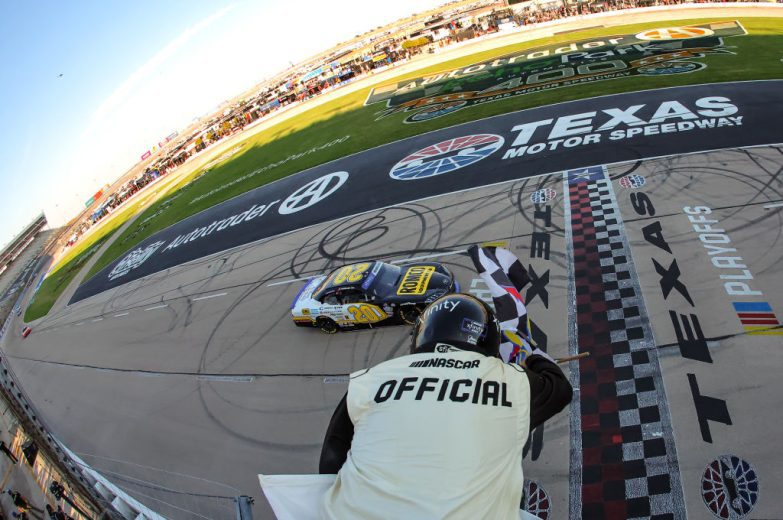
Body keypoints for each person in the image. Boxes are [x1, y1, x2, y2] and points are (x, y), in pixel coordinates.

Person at [319, 293, 573, 519]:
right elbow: (560, 388)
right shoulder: (511, 380)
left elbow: (332, 454)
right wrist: (532, 357)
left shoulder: (371, 378)